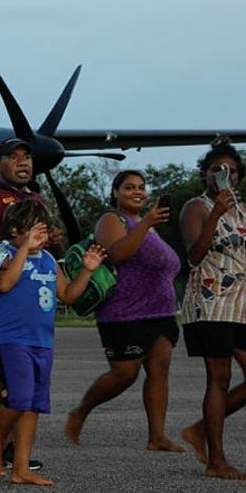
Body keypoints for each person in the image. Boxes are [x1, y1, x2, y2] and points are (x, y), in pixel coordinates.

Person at [0, 201, 104, 486]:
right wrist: (24, 249)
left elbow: (68, 295)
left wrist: (87, 270)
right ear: (16, 230)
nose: (41, 236)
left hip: (42, 342)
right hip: (10, 338)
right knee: (19, 397)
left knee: (34, 404)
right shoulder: (1, 252)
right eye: (34, 229)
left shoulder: (48, 259)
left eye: (44, 230)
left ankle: (22, 468)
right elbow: (4, 284)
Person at [62, 170, 185, 452]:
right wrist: (145, 225)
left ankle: (157, 436)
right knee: (124, 373)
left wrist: (147, 224)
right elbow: (117, 254)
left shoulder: (145, 223)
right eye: (129, 187)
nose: (137, 192)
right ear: (116, 192)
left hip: (160, 312)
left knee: (159, 371)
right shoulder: (112, 219)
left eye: (141, 187)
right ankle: (80, 411)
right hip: (125, 312)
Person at [178, 143, 246, 480]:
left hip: (243, 304)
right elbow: (193, 255)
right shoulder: (197, 207)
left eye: (230, 170)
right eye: (216, 169)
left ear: (239, 176)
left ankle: (199, 430)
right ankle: (217, 461)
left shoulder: (245, 209)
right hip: (211, 301)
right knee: (219, 378)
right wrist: (215, 213)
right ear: (205, 173)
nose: (223, 175)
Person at [0, 137, 57, 469]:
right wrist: (17, 242)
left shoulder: (34, 197)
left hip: (34, 305)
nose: (23, 162)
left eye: (27, 157)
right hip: (3, 292)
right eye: (13, 156)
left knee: (19, 384)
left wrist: (49, 240)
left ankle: (10, 448)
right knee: (12, 379)